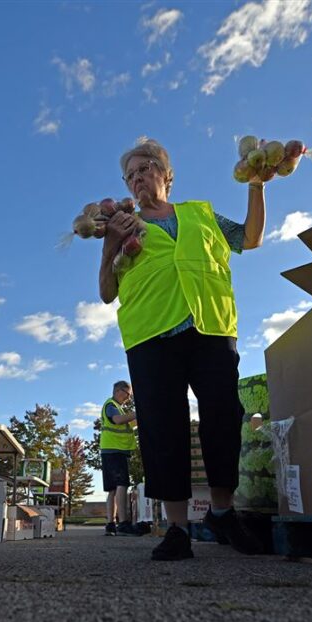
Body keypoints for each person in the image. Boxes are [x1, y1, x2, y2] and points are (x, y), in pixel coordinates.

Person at [99, 138, 266, 561]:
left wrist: (257, 184)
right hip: (150, 334)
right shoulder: (124, 225)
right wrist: (109, 245)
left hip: (210, 325)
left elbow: (251, 238)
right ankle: (176, 527)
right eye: (130, 174)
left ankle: (223, 512)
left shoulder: (201, 213)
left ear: (166, 174)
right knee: (162, 426)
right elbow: (105, 292)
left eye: (145, 169)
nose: (138, 178)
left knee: (224, 415)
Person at [100, 380, 139, 536]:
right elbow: (117, 420)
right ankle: (123, 523)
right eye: (127, 394)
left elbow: (128, 423)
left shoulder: (117, 409)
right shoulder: (112, 406)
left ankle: (111, 524)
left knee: (112, 489)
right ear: (118, 391)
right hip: (116, 451)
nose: (128, 398)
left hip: (109, 451)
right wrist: (138, 412)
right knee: (122, 484)